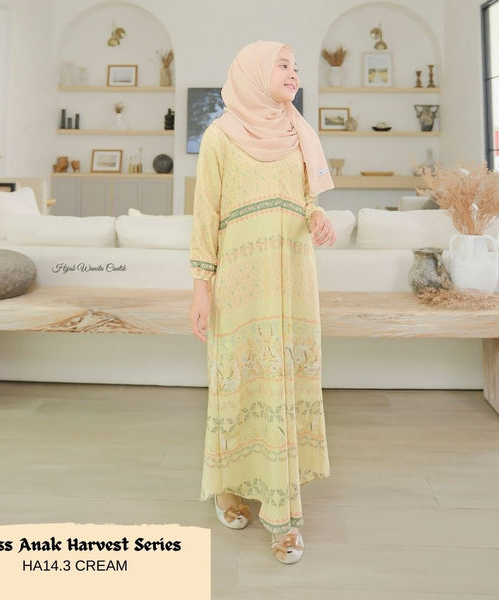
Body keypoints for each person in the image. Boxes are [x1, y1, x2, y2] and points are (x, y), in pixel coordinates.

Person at [188, 40, 336, 565]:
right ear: (253, 72)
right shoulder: (219, 136)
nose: (294, 74)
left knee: (283, 385)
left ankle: (283, 514)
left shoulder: (298, 133)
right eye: (283, 65)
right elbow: (206, 215)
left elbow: (307, 197)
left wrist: (317, 215)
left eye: (296, 67)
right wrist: (201, 287)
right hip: (240, 283)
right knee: (241, 385)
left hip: (293, 277)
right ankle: (228, 487)